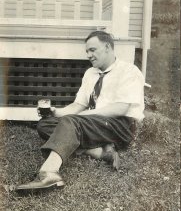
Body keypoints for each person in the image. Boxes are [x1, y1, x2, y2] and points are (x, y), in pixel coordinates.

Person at [16, 31, 145, 191]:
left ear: (107, 47)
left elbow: (121, 108)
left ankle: (49, 173)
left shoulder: (129, 71)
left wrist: (81, 117)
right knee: (45, 124)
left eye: (92, 50)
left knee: (72, 122)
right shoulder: (91, 73)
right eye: (87, 51)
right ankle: (100, 152)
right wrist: (55, 112)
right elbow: (78, 105)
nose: (88, 55)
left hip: (120, 126)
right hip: (94, 124)